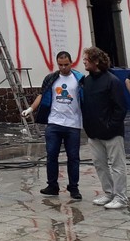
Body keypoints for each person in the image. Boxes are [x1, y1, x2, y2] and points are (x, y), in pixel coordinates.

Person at [22, 51, 83, 199]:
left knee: (73, 157)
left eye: (66, 65)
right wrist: (30, 109)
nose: (63, 68)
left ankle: (74, 187)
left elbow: (87, 97)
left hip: (73, 124)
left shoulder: (79, 79)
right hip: (54, 123)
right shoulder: (51, 79)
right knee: (51, 156)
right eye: (60, 65)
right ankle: (52, 186)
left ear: (71, 63)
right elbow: (42, 95)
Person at [79, 46, 128, 210]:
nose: (84, 61)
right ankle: (108, 193)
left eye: (86, 58)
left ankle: (121, 197)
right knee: (99, 164)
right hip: (93, 132)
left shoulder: (112, 81)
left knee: (117, 165)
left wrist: (110, 126)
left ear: (96, 61)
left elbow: (120, 108)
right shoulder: (86, 81)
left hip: (112, 133)